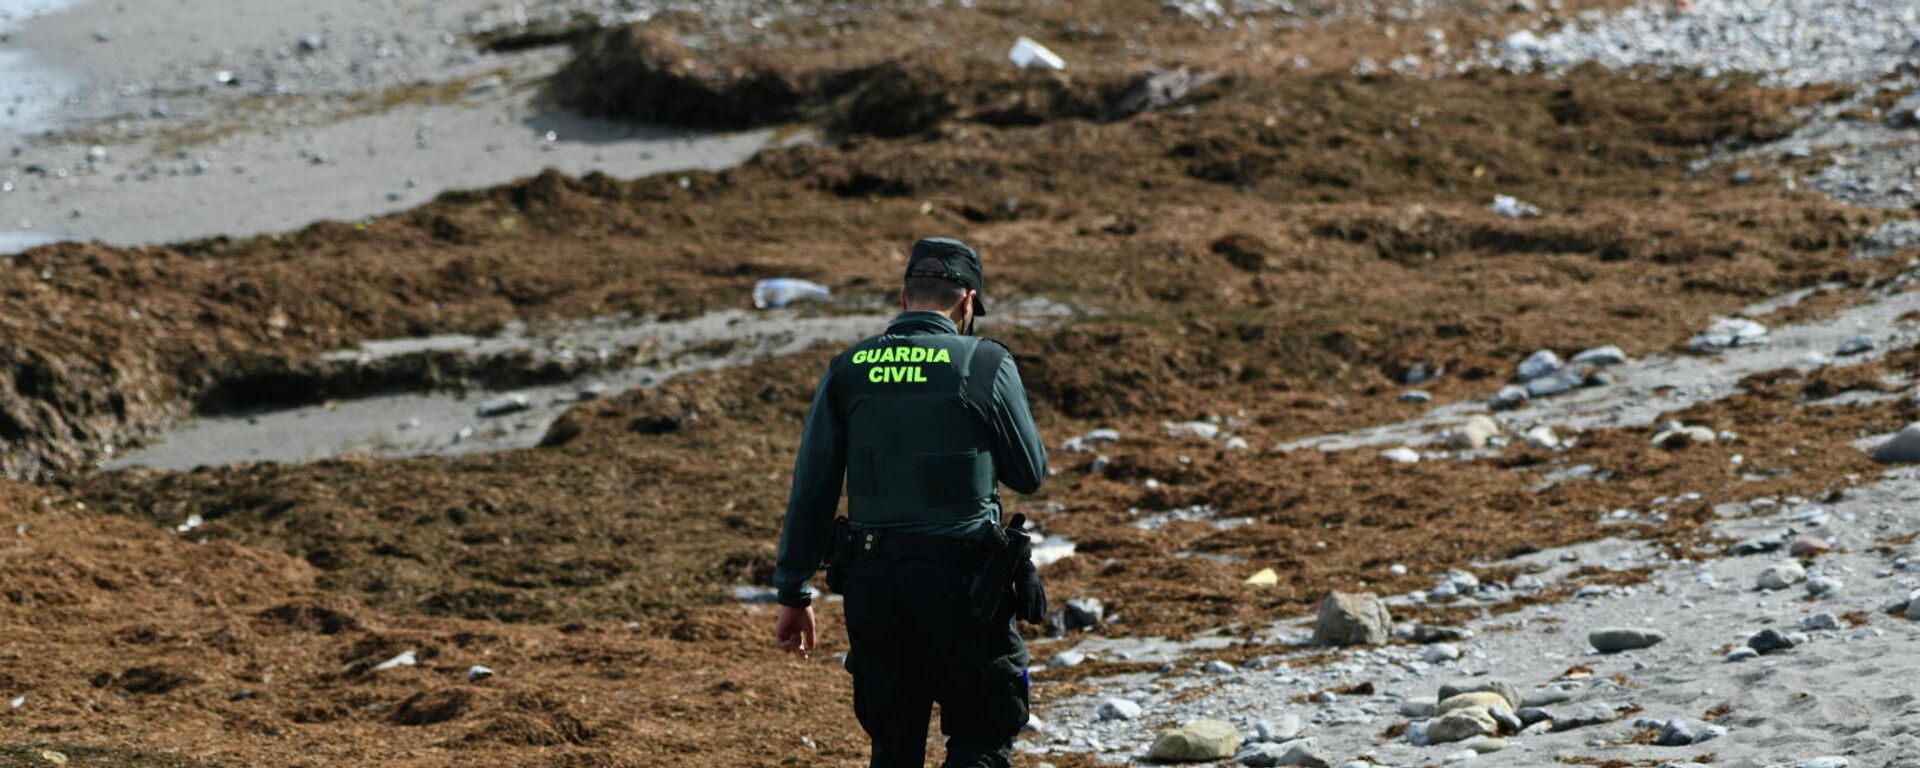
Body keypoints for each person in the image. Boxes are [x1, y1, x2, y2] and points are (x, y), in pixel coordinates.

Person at [770, 237, 1049, 768]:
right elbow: (1028, 474)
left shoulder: (848, 368)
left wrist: (794, 592)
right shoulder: (984, 361)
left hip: (874, 585)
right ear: (967, 303)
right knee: (982, 738)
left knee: (893, 747)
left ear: (904, 297)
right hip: (965, 585)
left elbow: (813, 487)